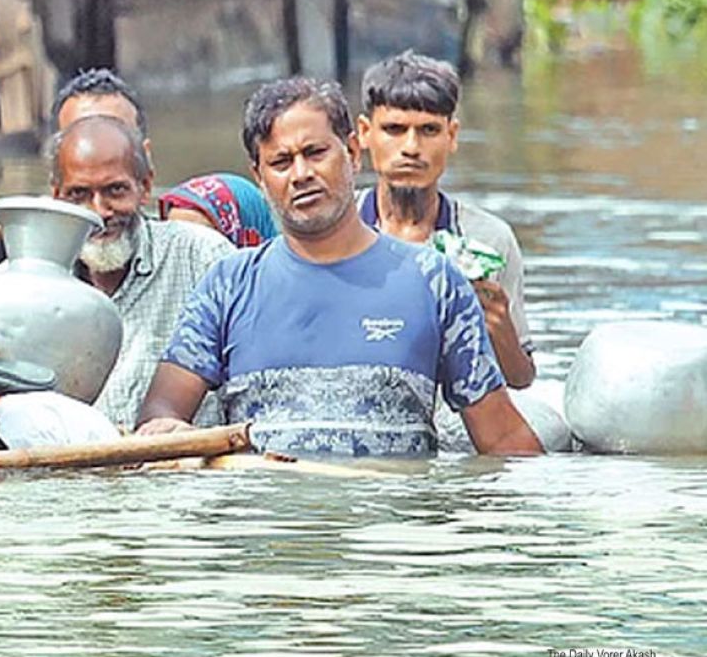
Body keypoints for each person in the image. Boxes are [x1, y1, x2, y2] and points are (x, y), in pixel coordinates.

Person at [137, 77, 543, 457]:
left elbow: (503, 439)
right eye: (281, 162)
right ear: (259, 177)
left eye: (316, 153)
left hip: (395, 528)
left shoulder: (434, 281)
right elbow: (163, 410)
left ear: (352, 152)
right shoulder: (228, 284)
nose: (302, 175)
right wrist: (166, 432)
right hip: (265, 527)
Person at [0, 68, 274, 250]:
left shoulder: (190, 229)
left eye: (114, 135)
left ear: (146, 163)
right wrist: (34, 218)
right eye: (82, 139)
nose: (98, 152)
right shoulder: (31, 243)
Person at [356, 50, 535, 388]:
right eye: (394, 129)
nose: (411, 147)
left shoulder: (489, 240)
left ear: (451, 136)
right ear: (365, 133)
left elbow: (521, 380)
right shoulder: (335, 228)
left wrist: (499, 329)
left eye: (428, 130)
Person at [49, 115, 234, 430]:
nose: (99, 212)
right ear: (57, 197)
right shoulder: (36, 288)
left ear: (145, 187)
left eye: (115, 190)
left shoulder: (203, 258)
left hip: (184, 471)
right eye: (79, 195)